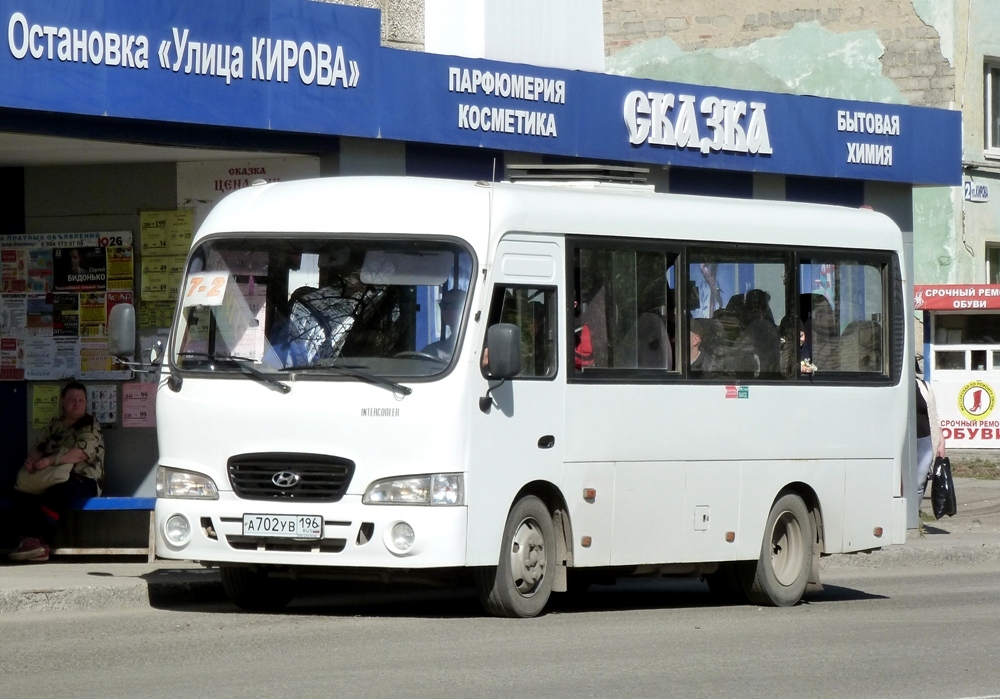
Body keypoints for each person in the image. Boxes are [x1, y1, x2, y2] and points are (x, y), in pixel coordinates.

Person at [9, 381, 105, 562]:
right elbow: (39, 447)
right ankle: (25, 540)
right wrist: (33, 461)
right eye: (71, 399)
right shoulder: (54, 425)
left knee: (56, 493)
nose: (76, 403)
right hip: (52, 476)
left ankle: (41, 541)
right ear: (62, 402)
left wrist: (50, 460)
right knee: (21, 491)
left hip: (84, 479)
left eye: (81, 400)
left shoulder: (89, 425)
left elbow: (80, 454)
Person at [915, 371, 946, 508]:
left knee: (919, 482)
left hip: (924, 440)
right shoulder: (895, 387)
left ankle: (913, 516)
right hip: (902, 443)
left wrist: (941, 440)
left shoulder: (924, 386)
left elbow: (933, 415)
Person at [422, 288, 465, 361]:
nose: (447, 310)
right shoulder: (432, 351)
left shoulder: (480, 345)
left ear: (466, 307)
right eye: (443, 306)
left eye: (453, 305)